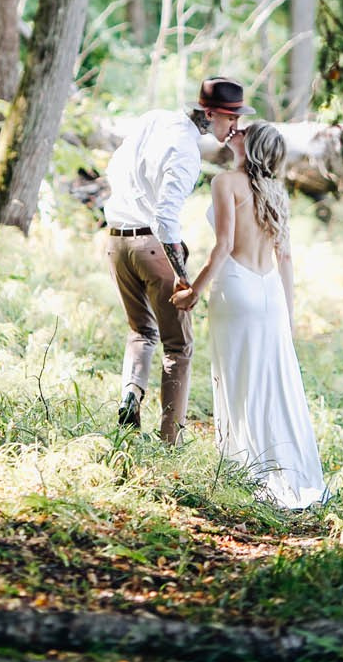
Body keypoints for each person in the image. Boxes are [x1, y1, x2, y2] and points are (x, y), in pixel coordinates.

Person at [172, 121, 326, 509]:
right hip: (271, 292)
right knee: (275, 381)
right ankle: (283, 470)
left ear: (249, 144)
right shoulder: (277, 191)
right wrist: (288, 316)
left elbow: (223, 246)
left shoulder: (226, 183)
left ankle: (244, 468)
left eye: (242, 131)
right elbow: (286, 256)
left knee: (237, 377)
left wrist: (193, 292)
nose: (234, 132)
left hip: (236, 288)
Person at [104, 77, 253, 444]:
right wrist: (182, 278)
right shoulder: (187, 152)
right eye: (230, 118)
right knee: (178, 347)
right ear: (209, 113)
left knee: (141, 331)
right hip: (154, 248)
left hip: (116, 241)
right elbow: (165, 219)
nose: (234, 126)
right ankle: (169, 441)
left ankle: (131, 392)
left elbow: (115, 165)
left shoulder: (155, 118)